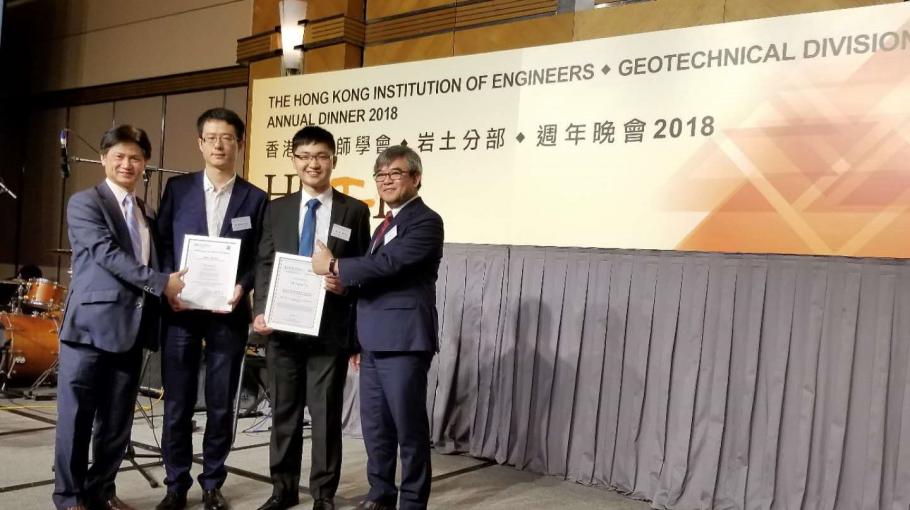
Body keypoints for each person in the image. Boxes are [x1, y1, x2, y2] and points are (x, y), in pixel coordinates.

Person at [53, 125, 186, 510]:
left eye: (136, 158)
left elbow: (156, 261)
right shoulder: (85, 203)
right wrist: (163, 283)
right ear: (103, 159)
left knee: (116, 424)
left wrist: (175, 293)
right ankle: (69, 497)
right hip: (89, 331)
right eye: (120, 156)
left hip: (132, 331)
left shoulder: (146, 212)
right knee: (76, 422)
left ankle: (101, 491)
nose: (128, 164)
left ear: (145, 164)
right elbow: (107, 254)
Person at [312, 145, 444, 510]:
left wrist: (335, 266)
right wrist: (355, 336)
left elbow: (390, 264)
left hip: (403, 342)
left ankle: (413, 501)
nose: (386, 181)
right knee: (376, 429)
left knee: (409, 428)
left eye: (395, 173)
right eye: (380, 175)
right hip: (370, 342)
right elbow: (371, 283)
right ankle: (381, 492)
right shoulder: (384, 223)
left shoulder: (425, 221)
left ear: (416, 178)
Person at [252, 126, 371, 510]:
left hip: (329, 331)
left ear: (333, 160)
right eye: (303, 156)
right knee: (283, 414)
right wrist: (260, 312)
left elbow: (361, 268)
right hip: (282, 331)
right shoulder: (277, 209)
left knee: (325, 417)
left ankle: (323, 494)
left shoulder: (354, 211)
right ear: (293, 161)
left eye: (320, 156)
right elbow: (266, 264)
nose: (312, 163)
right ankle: (282, 490)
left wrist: (345, 285)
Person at [155, 108, 268, 510]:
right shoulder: (178, 189)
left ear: (239, 143)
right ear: (200, 143)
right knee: (178, 401)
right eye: (212, 137)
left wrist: (243, 286)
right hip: (180, 310)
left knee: (221, 402)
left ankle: (212, 482)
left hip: (228, 313)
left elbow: (259, 255)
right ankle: (175, 483)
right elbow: (163, 242)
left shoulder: (255, 198)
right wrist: (167, 283)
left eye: (228, 138)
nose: (220, 145)